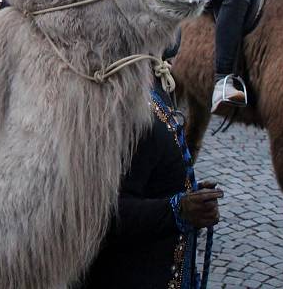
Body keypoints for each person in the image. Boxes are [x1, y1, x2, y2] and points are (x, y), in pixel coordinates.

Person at [81, 84, 223, 288]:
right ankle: (226, 78)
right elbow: (103, 214)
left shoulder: (154, 93)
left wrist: (186, 194)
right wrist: (179, 209)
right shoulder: (126, 110)